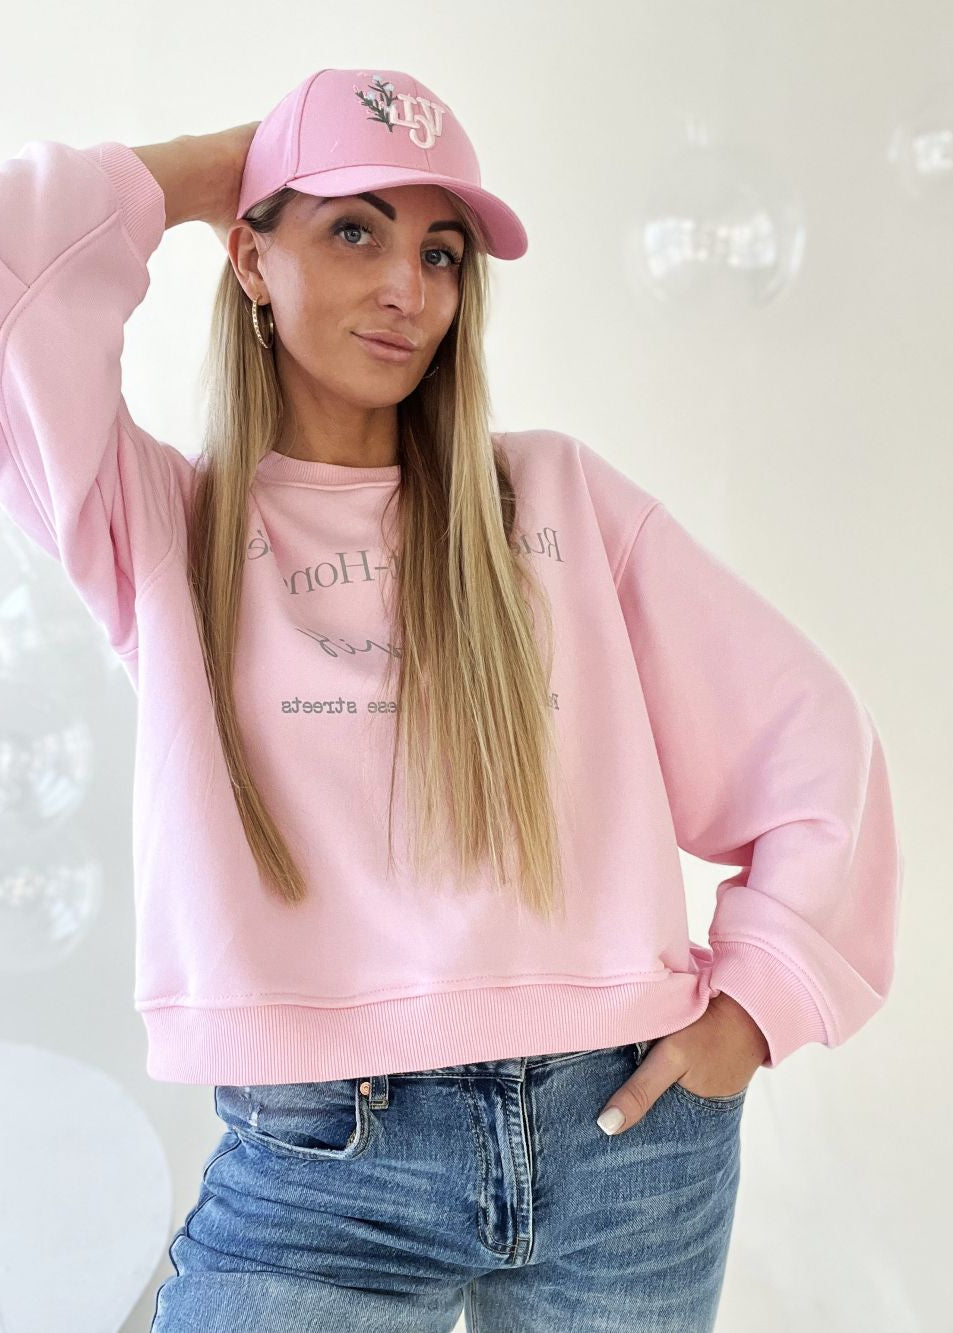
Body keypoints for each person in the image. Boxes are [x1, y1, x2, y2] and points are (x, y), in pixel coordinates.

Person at [0, 67, 903, 1332]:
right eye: (352, 230)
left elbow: (814, 745)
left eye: (440, 251)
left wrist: (751, 1012)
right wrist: (227, 166)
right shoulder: (161, 526)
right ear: (251, 259)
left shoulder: (553, 501)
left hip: (623, 1143)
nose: (405, 289)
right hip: (321, 1169)